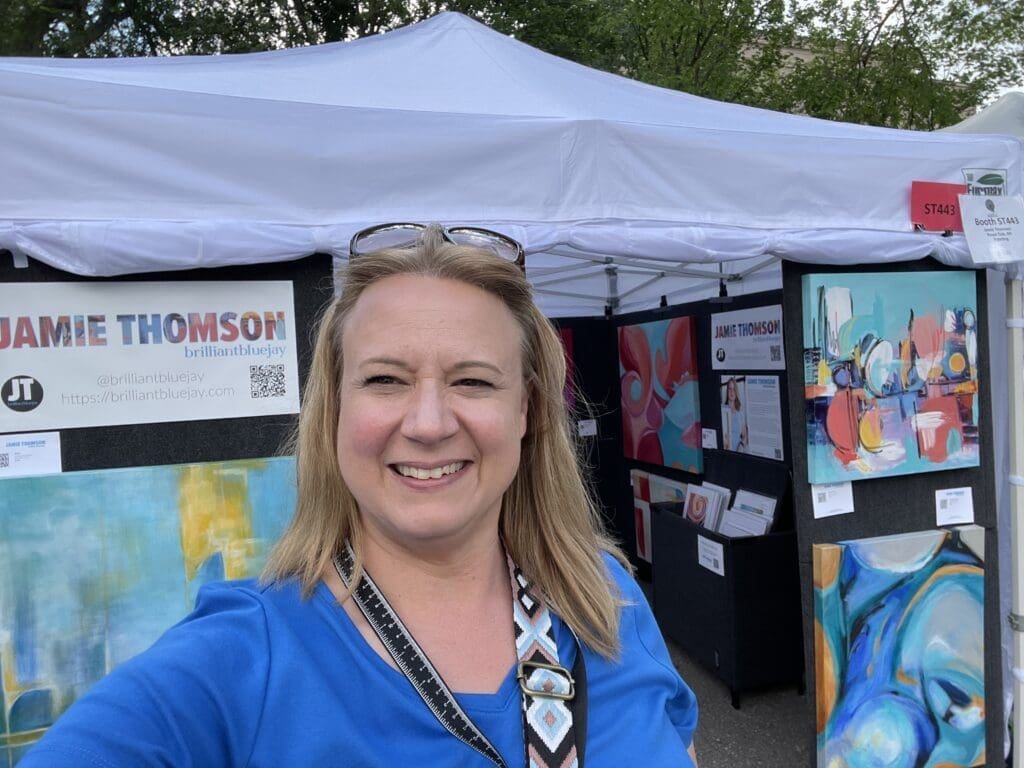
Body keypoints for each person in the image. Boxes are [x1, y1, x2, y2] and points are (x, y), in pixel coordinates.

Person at [20, 223, 698, 767]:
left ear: (528, 413)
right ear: (335, 412)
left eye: (473, 382)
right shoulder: (240, 657)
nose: (429, 423)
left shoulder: (605, 594)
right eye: (385, 380)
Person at [722, 376, 748, 453]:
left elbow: (745, 436)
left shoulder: (740, 413)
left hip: (738, 453)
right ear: (727, 391)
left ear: (736, 392)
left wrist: (741, 445)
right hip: (725, 451)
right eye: (730, 389)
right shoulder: (722, 409)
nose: (732, 392)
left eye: (734, 389)